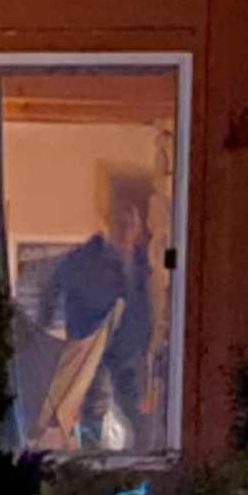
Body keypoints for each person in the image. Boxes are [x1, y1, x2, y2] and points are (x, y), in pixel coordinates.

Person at [32, 172, 158, 450]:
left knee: (136, 410)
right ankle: (91, 460)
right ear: (109, 225)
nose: (125, 230)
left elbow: (144, 309)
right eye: (120, 223)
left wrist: (148, 344)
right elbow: (52, 290)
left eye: (130, 225)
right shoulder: (84, 258)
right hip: (90, 344)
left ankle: (141, 457)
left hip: (128, 350)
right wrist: (43, 337)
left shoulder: (140, 266)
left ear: (137, 229)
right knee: (92, 406)